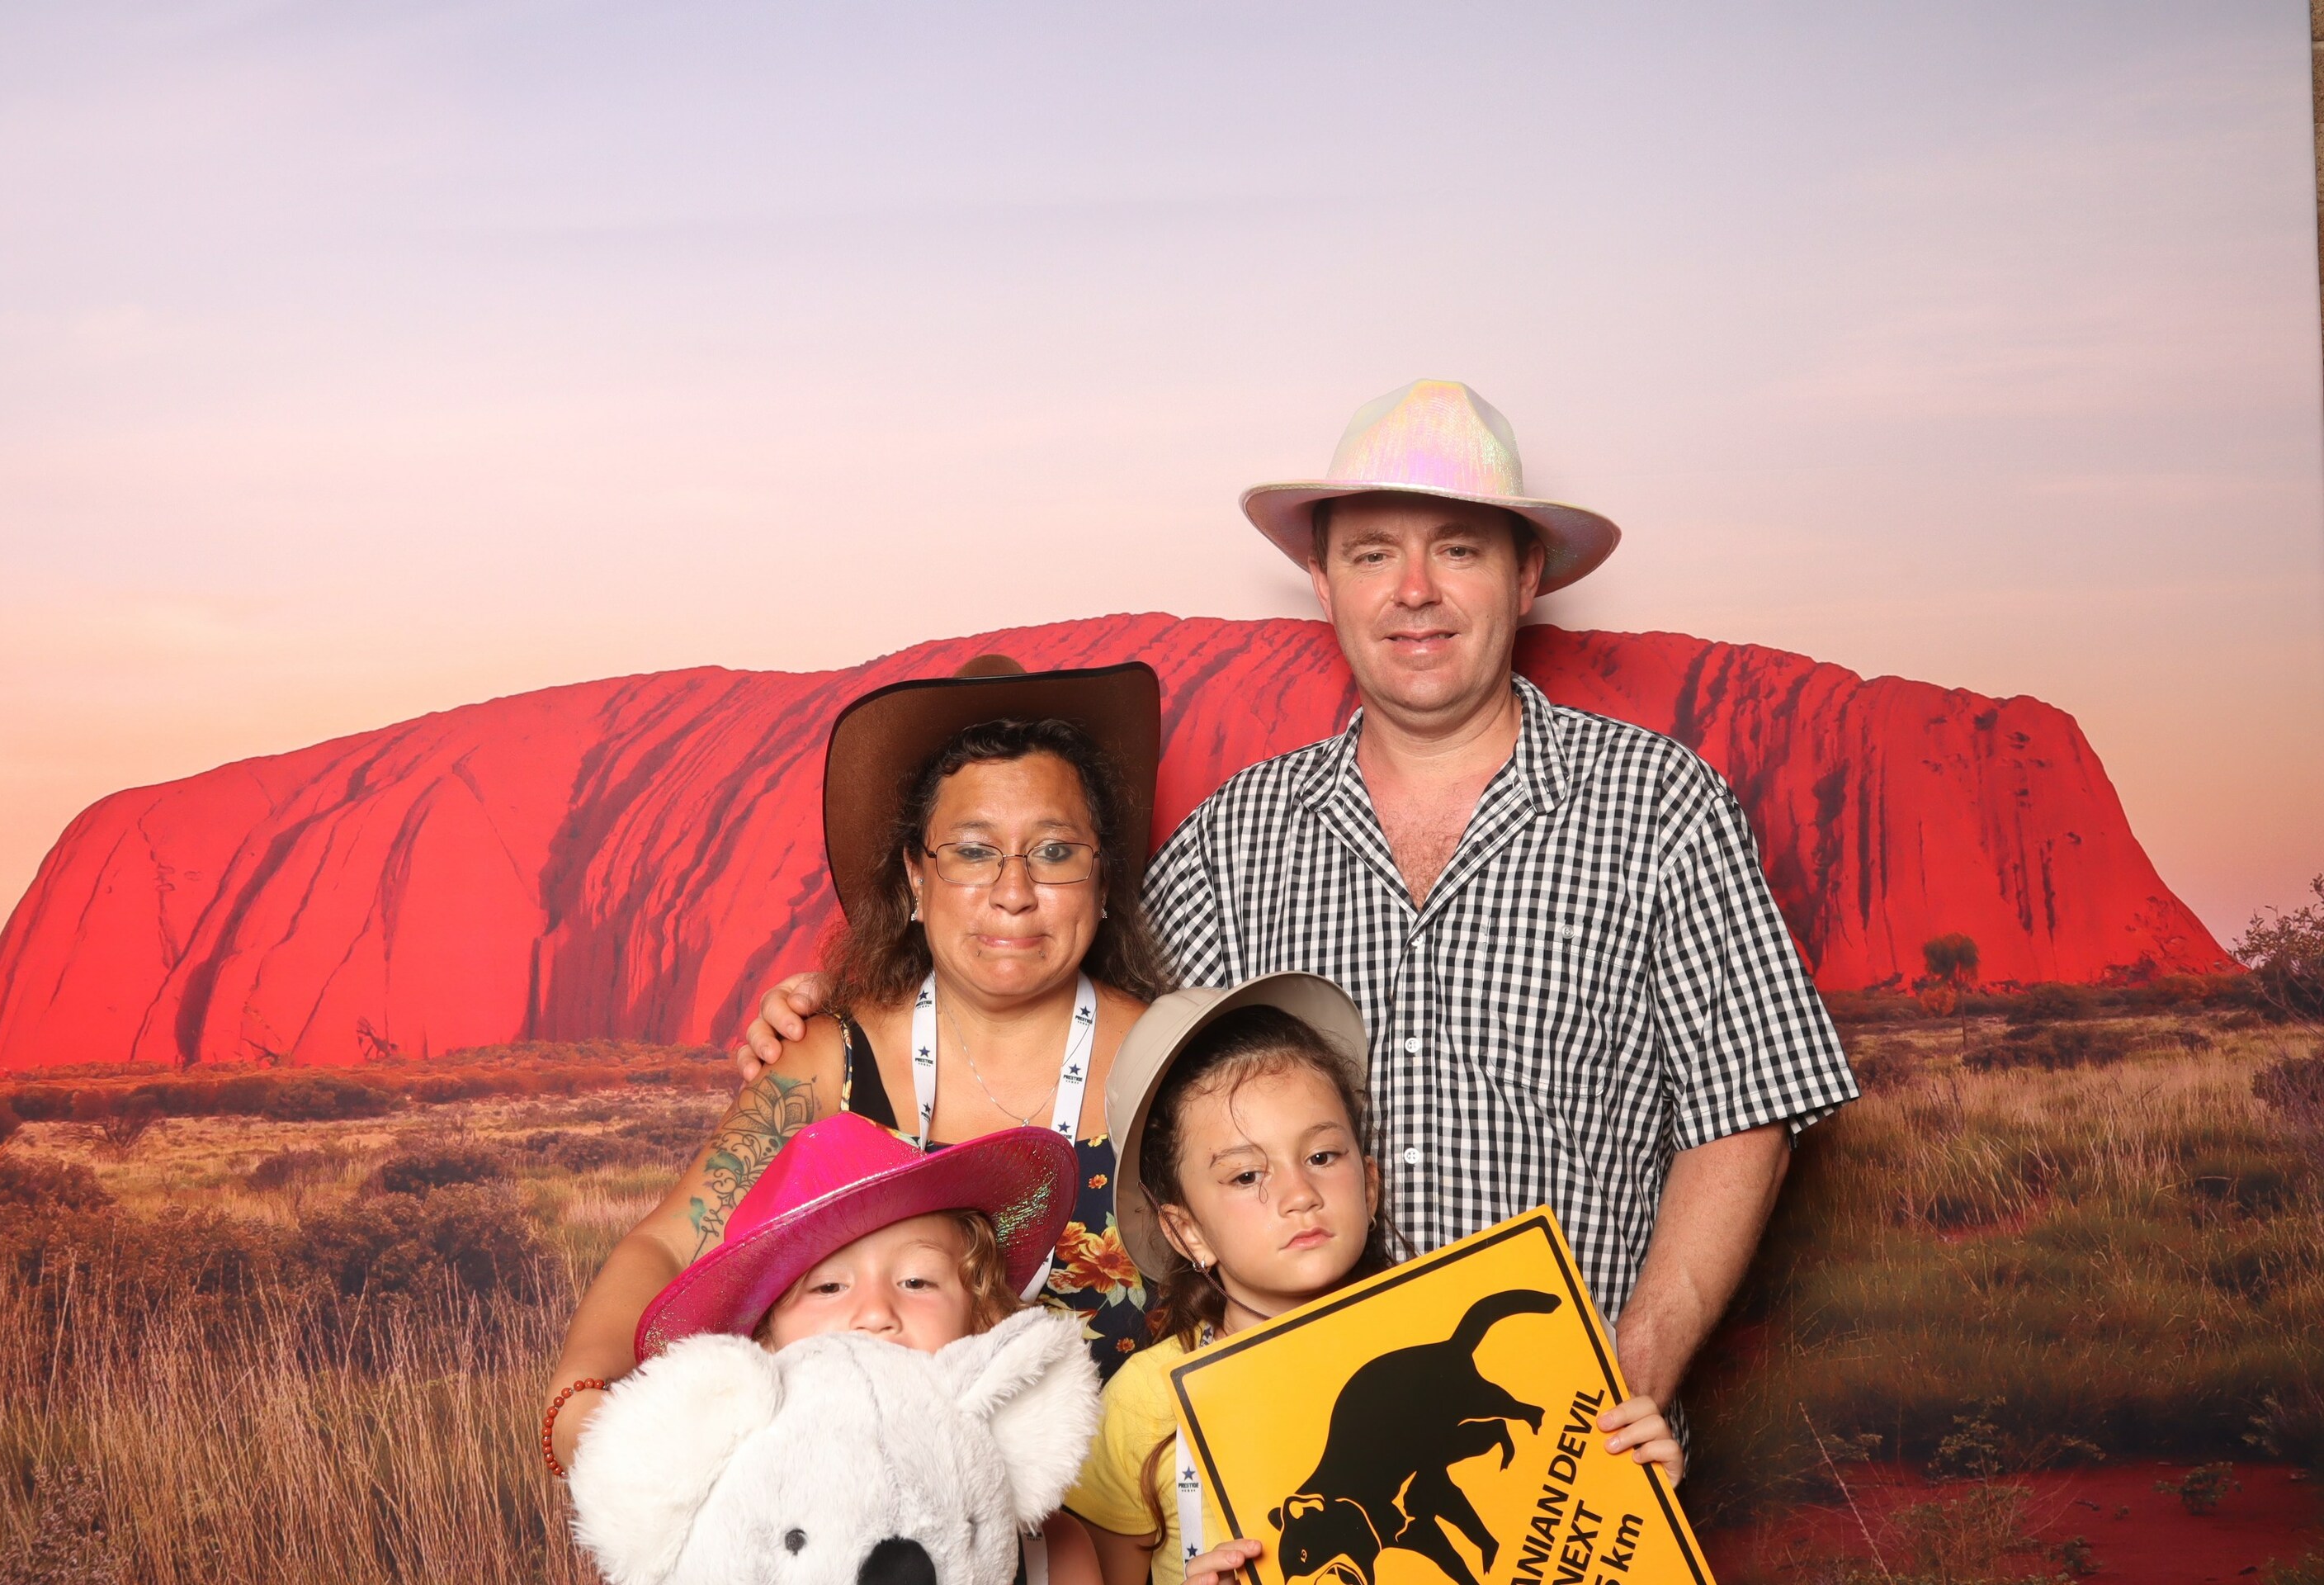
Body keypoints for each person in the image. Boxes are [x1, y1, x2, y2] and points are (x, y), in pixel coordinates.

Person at [744, 380, 1859, 1436]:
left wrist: (1634, 1369)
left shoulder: (1659, 807)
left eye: (1458, 549)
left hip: (1569, 1449)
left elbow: (1746, 1110)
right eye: (1372, 553)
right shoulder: (1239, 835)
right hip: (1303, 1460)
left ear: (1526, 578)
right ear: (1325, 584)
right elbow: (1052, 999)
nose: (1413, 591)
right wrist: (847, 1008)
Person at [544, 659, 1174, 1470]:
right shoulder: (827, 1060)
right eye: (972, 852)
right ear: (915, 877)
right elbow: (670, 1244)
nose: (1013, 892)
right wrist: (582, 1397)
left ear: (1102, 878)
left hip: (1130, 1522)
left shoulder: (1173, 1060)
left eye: (1054, 852)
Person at [1066, 974, 1682, 1585]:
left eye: (1321, 1157)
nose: (1299, 1194)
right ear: (1186, 1232)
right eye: (1247, 1176)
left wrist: (1639, 1490)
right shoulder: (1144, 1404)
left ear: (1368, 1183)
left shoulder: (1472, 1344)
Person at [583, 1108, 1105, 1585]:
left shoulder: (1051, 1553)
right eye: (829, 1287)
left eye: (918, 1281)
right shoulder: (721, 1538)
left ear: (982, 1320)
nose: (875, 1313)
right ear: (762, 1345)